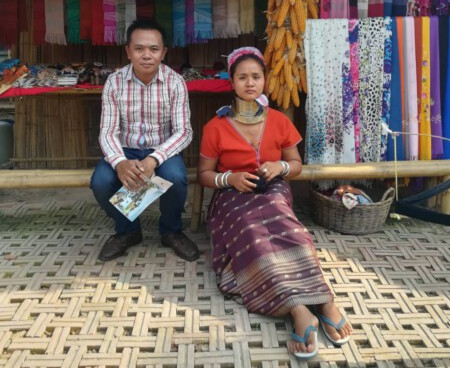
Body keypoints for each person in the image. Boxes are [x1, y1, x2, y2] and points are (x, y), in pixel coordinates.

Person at [198, 46, 352, 359]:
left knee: (290, 227)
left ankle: (324, 300)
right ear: (232, 81)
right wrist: (230, 179)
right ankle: (299, 310)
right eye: (242, 77)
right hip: (231, 196)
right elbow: (204, 174)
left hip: (273, 188)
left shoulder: (279, 121)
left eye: (256, 76)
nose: (249, 83)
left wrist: (279, 167)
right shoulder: (215, 126)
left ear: (264, 80)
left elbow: (295, 165)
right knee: (252, 231)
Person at [91, 18, 199, 263]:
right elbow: (107, 131)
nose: (147, 55)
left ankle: (171, 231)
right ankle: (128, 230)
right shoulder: (114, 82)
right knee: (101, 182)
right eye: (139, 48)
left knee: (175, 177)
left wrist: (153, 159)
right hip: (125, 150)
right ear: (128, 51)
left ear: (164, 53)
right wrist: (119, 162)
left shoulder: (175, 82)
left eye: (154, 49)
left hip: (161, 149)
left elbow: (184, 131)